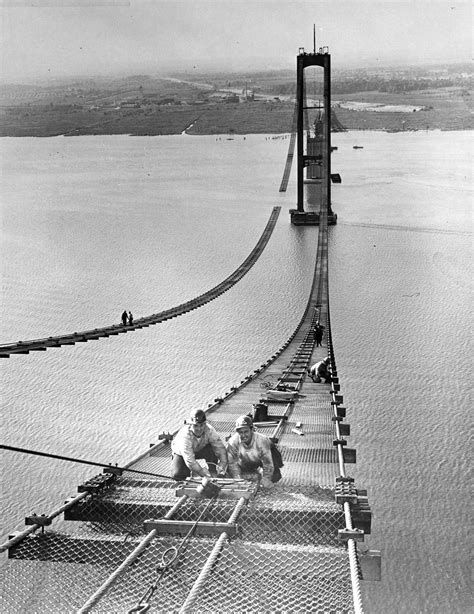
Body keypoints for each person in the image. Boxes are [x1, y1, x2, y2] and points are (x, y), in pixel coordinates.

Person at [171, 409, 227, 481]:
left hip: (200, 449)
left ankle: (213, 472)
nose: (199, 429)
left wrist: (222, 465)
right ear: (190, 425)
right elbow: (190, 460)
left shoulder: (210, 430)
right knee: (177, 474)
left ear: (205, 424)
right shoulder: (185, 436)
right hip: (182, 453)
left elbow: (220, 449)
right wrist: (204, 474)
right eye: (196, 426)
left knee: (212, 448)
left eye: (201, 425)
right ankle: (189, 476)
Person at [226, 415, 280, 488]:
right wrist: (238, 480)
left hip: (264, 456)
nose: (243, 435)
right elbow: (232, 463)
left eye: (246, 432)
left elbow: (268, 464)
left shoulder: (262, 441)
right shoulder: (233, 442)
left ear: (252, 430)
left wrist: (266, 479)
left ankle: (263, 476)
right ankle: (251, 472)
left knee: (274, 477)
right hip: (245, 459)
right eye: (240, 432)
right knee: (229, 474)